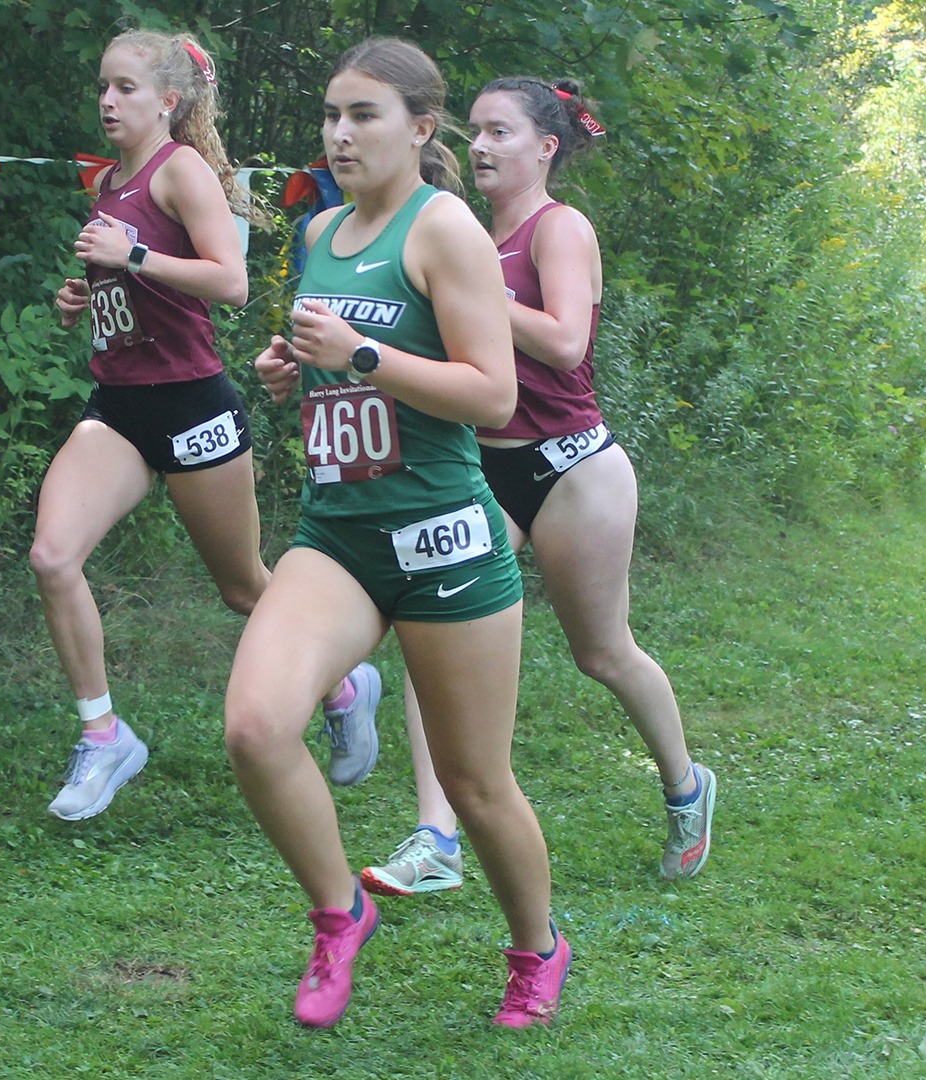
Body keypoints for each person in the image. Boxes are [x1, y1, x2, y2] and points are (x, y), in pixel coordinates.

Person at [228, 37, 567, 1028]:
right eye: (331, 115)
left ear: (421, 128)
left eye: (364, 114)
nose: (340, 134)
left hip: (443, 539)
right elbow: (335, 368)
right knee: (255, 727)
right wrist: (298, 370)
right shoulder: (317, 234)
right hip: (338, 534)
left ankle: (535, 947)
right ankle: (340, 917)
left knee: (473, 779)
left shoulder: (445, 228)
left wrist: (366, 354)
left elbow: (494, 393)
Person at [359, 76, 713, 901]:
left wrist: (471, 286)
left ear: (545, 148)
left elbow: (563, 341)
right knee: (433, 628)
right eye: (473, 131)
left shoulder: (560, 228)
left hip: (574, 467)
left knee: (603, 652)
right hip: (479, 467)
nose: (479, 145)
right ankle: (435, 836)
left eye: (500, 132)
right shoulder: (464, 235)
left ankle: (687, 787)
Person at [37, 31, 378, 821]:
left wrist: (133, 260)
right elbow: (128, 283)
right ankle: (104, 735)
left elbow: (230, 280)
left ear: (168, 101)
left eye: (125, 88)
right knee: (53, 557)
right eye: (102, 86)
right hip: (118, 407)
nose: (108, 101)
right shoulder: (112, 184)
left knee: (241, 586)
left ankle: (343, 681)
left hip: (192, 405)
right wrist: (82, 297)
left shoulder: (180, 171)